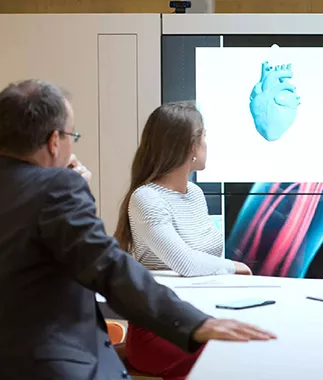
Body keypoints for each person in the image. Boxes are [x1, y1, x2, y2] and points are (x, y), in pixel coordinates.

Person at [0, 79, 276, 380]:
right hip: (51, 364)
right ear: (55, 142)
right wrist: (195, 325)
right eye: (72, 136)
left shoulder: (193, 194)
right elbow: (105, 265)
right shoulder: (62, 187)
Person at [114, 101, 253, 379]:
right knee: (235, 359)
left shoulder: (195, 194)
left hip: (203, 319)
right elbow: (185, 262)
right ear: (191, 146)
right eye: (204, 137)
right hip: (162, 330)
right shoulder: (146, 198)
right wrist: (232, 266)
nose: (206, 144)